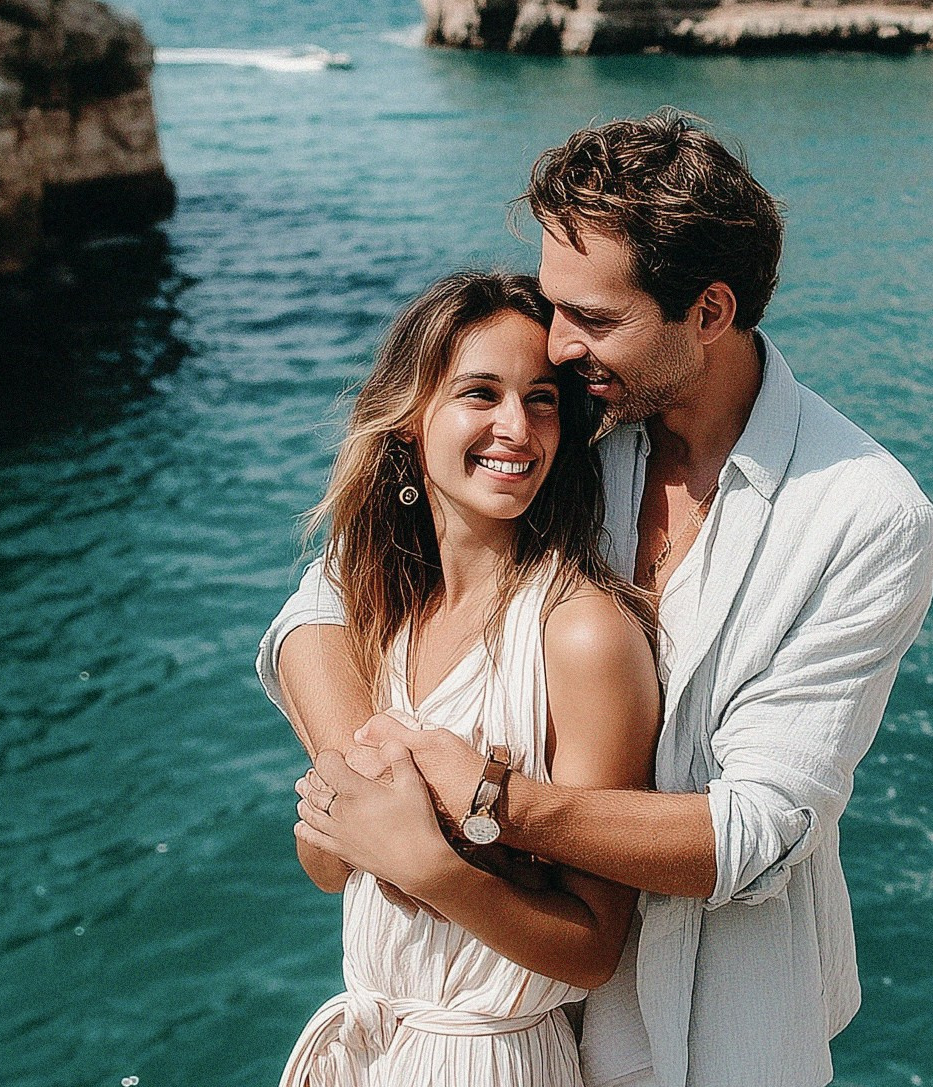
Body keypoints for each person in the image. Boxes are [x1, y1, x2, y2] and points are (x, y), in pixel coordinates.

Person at [260, 109, 933, 1087]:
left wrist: (483, 803)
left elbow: (756, 832)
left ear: (707, 311)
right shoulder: (567, 427)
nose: (558, 346)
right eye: (553, 303)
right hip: (493, 1013)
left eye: (594, 317)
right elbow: (326, 599)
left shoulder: (864, 517)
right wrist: (364, 781)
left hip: (713, 1024)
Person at [271, 271, 661, 1086]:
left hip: (489, 1058)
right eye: (479, 393)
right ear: (410, 421)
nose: (516, 428)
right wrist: (347, 830)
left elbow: (593, 943)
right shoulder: (383, 612)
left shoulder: (579, 631)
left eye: (542, 399)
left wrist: (430, 863)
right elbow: (328, 865)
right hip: (372, 1042)